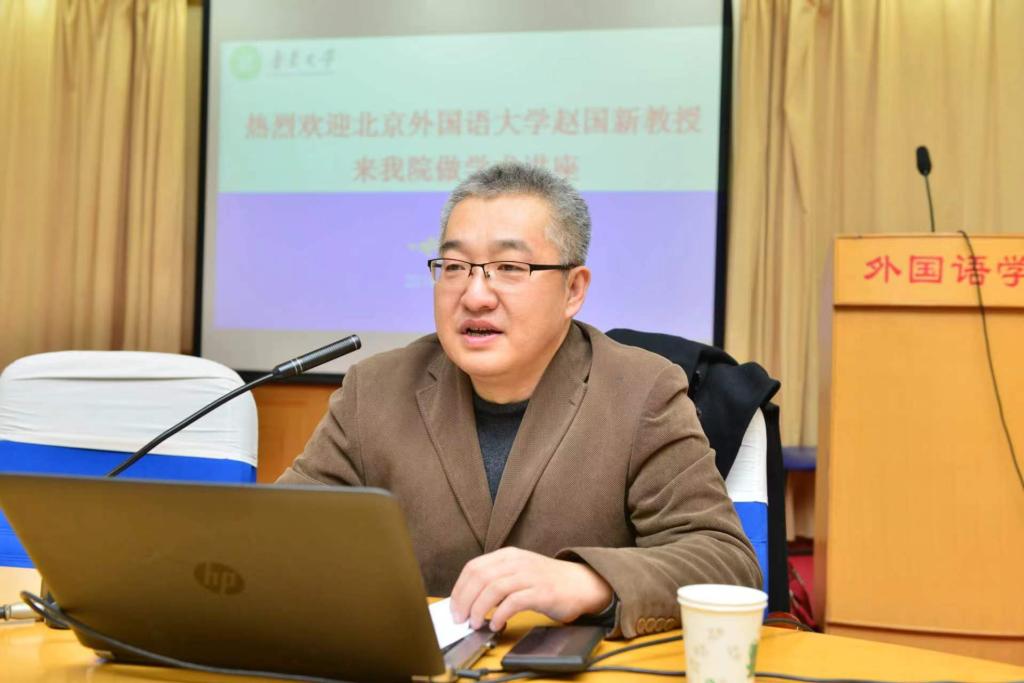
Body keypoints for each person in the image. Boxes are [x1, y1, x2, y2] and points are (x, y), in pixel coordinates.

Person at [278, 162, 761, 638]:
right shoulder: (376, 390)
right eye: (455, 267)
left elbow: (726, 564)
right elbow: (279, 534)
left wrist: (590, 581)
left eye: (509, 268)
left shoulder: (641, 391)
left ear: (573, 290)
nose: (475, 296)